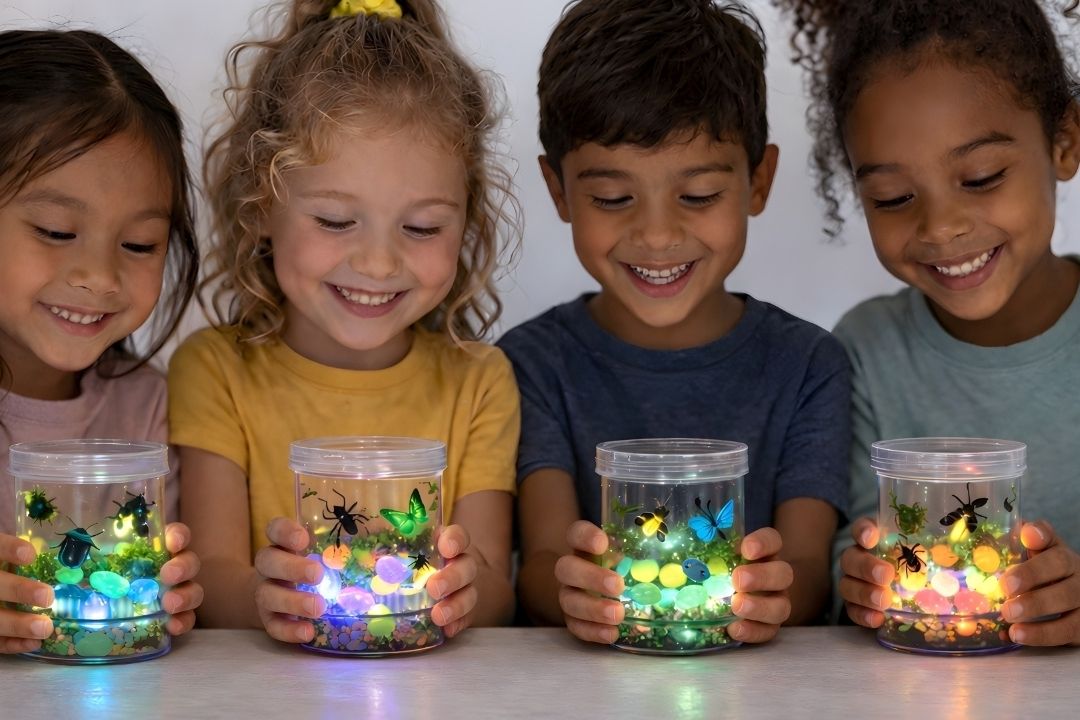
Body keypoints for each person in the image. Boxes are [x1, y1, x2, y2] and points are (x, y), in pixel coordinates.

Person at [498, 0, 852, 645]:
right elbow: (542, 562)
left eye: (698, 196)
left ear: (758, 181)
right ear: (559, 191)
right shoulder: (531, 364)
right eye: (612, 198)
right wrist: (576, 593)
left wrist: (770, 597)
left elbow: (807, 571)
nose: (657, 235)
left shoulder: (809, 366)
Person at [169, 0, 520, 642]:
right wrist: (265, 598)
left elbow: (495, 587)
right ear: (260, 205)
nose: (378, 263)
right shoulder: (215, 370)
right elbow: (212, 575)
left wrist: (466, 590)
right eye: (335, 221)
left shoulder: (480, 381)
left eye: (423, 227)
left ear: (466, 221)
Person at [773, 0, 1080, 644]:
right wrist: (860, 578)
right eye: (893, 198)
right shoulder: (865, 350)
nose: (940, 227)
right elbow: (852, 547)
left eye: (982, 177)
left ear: (1065, 142)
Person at [0, 29, 204, 654]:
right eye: (56, 230)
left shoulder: (146, 408)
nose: (100, 277)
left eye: (139, 244)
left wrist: (179, 591)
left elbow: (160, 586)